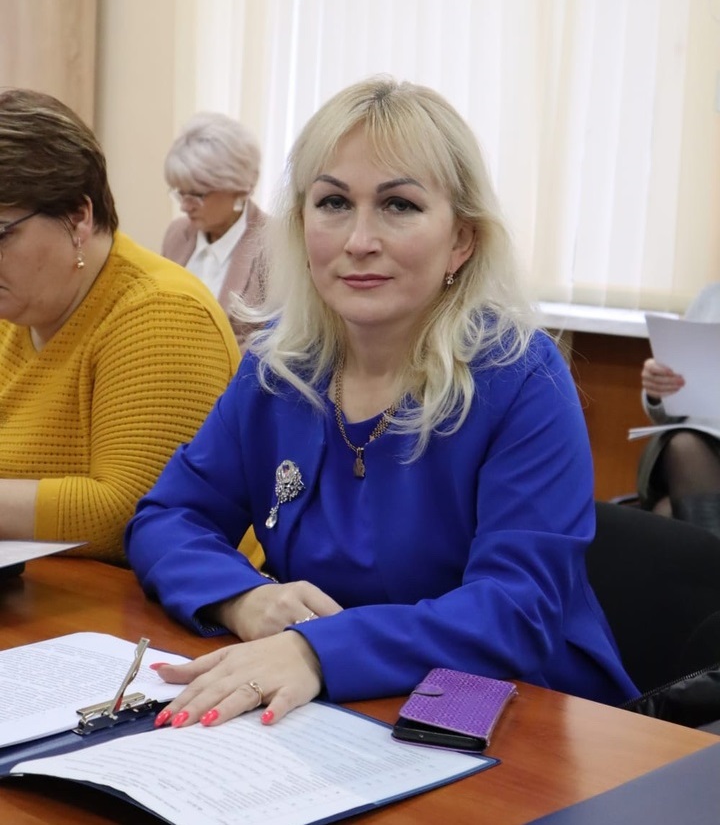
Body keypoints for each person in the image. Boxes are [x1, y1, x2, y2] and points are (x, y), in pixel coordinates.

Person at [125, 76, 638, 730]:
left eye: (399, 205)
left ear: (462, 239)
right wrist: (242, 599)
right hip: (334, 714)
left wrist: (317, 650)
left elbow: (516, 611)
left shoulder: (521, 377)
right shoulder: (278, 367)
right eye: (333, 202)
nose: (359, 239)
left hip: (517, 714)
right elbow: (168, 517)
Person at [0, 87, 261, 567]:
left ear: (77, 217)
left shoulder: (162, 312)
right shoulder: (15, 310)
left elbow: (133, 512)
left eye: (1, 233)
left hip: (139, 604)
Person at [161, 112, 266, 345]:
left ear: (240, 188)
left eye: (197, 195)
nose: (185, 206)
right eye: (180, 193)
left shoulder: (277, 246)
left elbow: (274, 344)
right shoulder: (176, 234)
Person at [638, 282, 720, 535]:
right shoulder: (711, 297)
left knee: (666, 514)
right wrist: (658, 390)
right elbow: (667, 415)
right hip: (702, 452)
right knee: (684, 446)